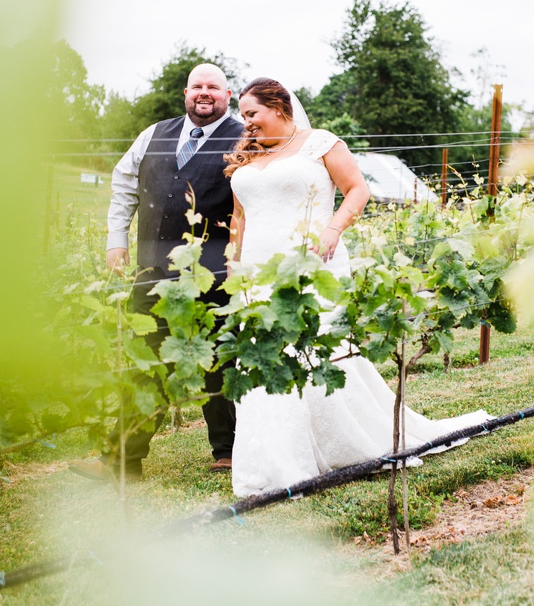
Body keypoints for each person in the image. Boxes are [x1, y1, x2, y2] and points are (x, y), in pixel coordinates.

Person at [224, 77, 491, 497]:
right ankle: (273, 462)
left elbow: (357, 190)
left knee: (312, 352)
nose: (247, 122)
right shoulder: (247, 155)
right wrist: (232, 262)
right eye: (244, 116)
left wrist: (332, 229)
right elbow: (240, 217)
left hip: (313, 263)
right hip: (257, 271)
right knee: (262, 357)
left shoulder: (320, 143)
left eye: (253, 113)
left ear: (279, 106)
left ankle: (337, 446)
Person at [70, 63, 242, 482]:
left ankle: (230, 450)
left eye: (214, 87)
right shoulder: (154, 134)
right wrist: (117, 238)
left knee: (216, 357)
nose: (205, 93)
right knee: (146, 360)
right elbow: (125, 182)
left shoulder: (245, 137)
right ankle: (124, 461)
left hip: (214, 271)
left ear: (228, 94)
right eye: (198, 86)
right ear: (186, 93)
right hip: (151, 269)